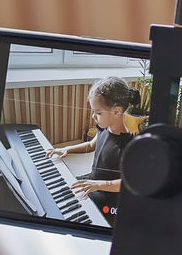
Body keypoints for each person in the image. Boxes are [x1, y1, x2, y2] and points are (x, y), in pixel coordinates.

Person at [46, 76, 139, 222]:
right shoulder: (104, 129)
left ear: (116, 111)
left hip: (108, 197)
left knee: (74, 210)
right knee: (63, 187)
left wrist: (98, 185)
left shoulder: (128, 145)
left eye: (98, 112)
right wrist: (67, 149)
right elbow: (91, 145)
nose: (93, 116)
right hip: (93, 179)